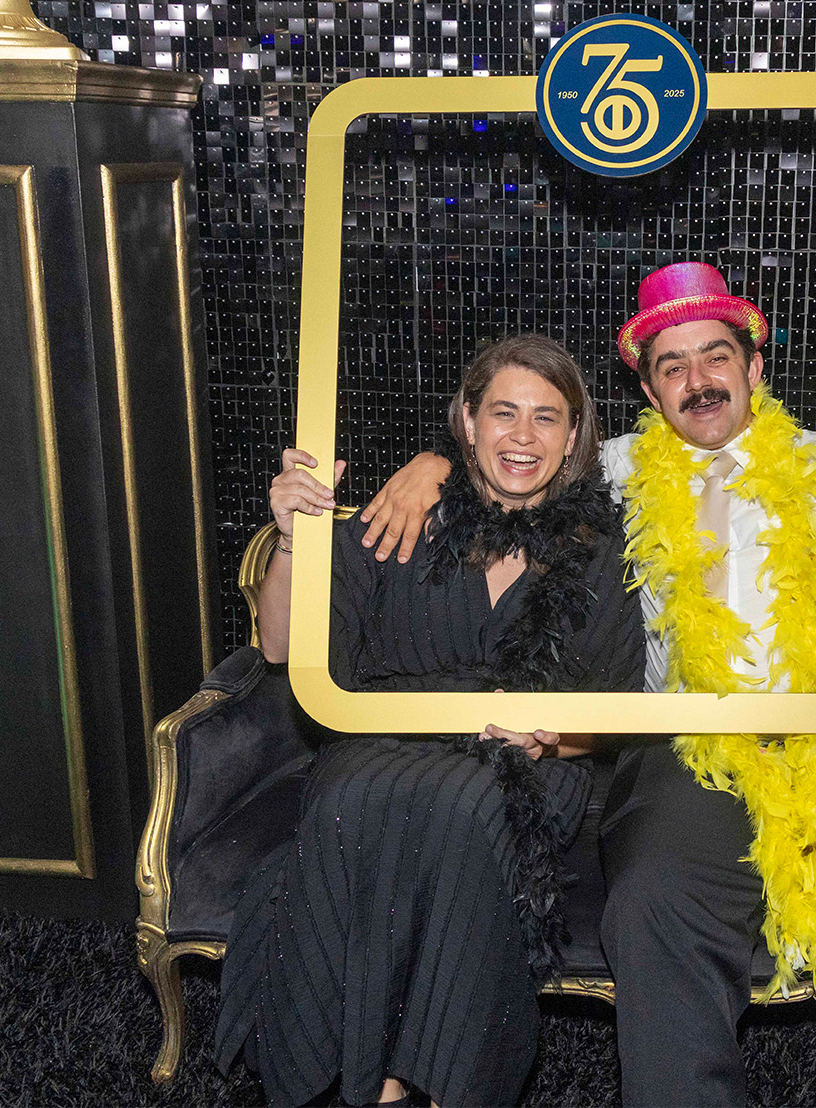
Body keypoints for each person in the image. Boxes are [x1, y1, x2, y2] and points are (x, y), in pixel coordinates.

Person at [361, 263, 816, 1106]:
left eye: (716, 356)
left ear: (754, 368)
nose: (698, 380)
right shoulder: (615, 472)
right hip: (683, 749)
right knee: (648, 904)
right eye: (672, 366)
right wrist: (433, 465)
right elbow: (514, 466)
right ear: (648, 389)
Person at [214, 334, 646, 1108]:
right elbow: (281, 645)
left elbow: (617, 708)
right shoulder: (402, 512)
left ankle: (440, 1083)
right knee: (359, 797)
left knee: (464, 805)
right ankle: (375, 1079)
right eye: (503, 412)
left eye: (546, 417)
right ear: (469, 423)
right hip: (384, 740)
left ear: (574, 434)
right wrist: (292, 540)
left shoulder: (603, 550)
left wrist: (553, 733)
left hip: (528, 764)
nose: (523, 435)